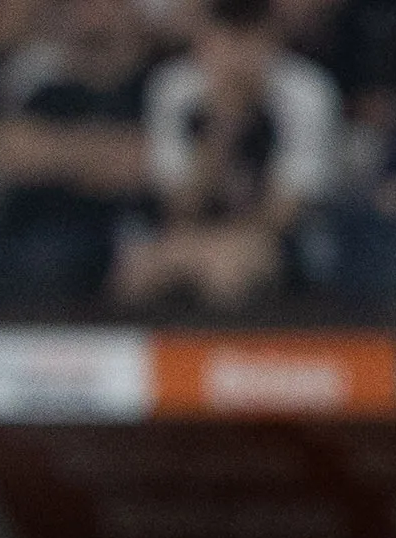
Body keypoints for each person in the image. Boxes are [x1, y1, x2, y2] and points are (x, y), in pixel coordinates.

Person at [114, 0, 340, 309]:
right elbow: (179, 204)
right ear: (204, 41)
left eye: (250, 39)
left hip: (283, 237)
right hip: (194, 231)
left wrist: (225, 246)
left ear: (272, 41)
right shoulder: (175, 87)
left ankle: (234, 356)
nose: (238, 55)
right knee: (139, 267)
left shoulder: (305, 92)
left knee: (227, 270)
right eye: (227, 39)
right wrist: (223, 125)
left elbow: (286, 211)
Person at [0, 0, 152, 305]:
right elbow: (8, 152)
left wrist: (54, 151)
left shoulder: (150, 83)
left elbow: (141, 164)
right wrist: (97, 154)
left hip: (120, 235)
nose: (93, 14)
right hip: (34, 233)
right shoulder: (39, 78)